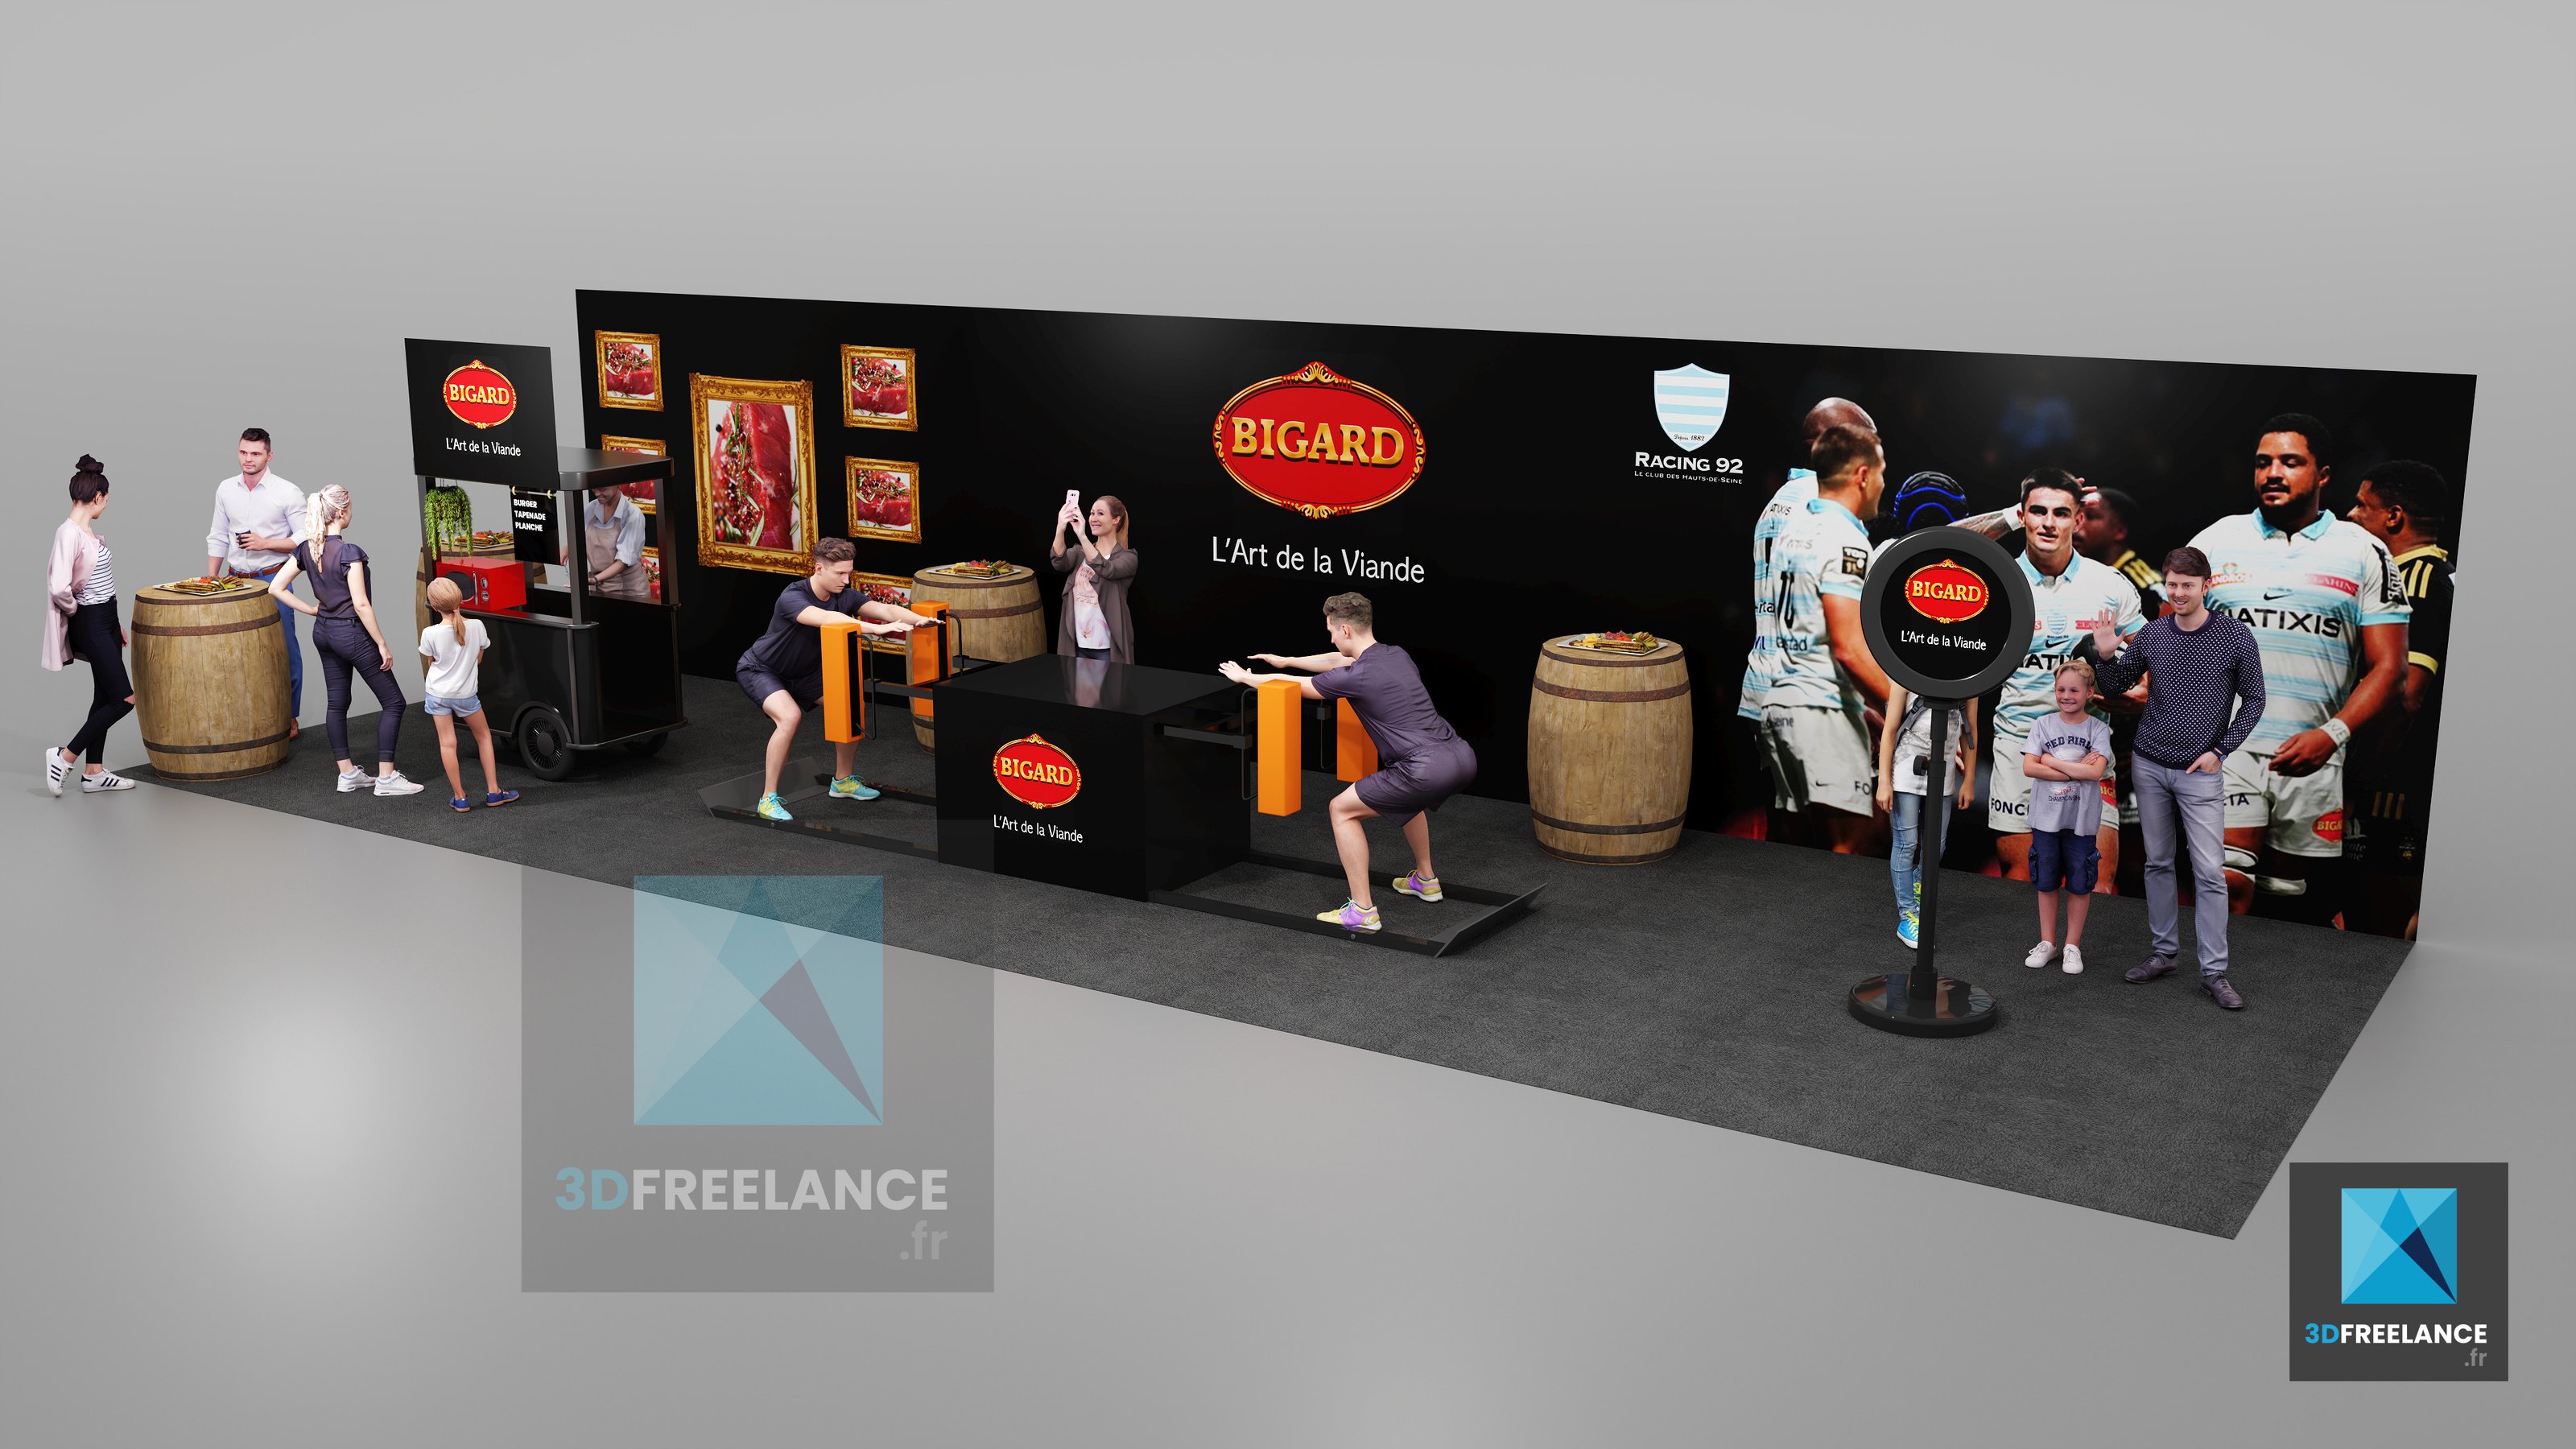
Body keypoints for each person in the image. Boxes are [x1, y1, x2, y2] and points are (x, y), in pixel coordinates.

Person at [2186, 414, 2410, 919]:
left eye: (2290, 462)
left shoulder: (2364, 550)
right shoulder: (2214, 541)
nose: (2273, 473)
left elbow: (2391, 669)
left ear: (2322, 474)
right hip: (2226, 748)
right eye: (2263, 462)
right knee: (2226, 883)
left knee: (2292, 903)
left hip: (2315, 756)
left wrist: (2332, 735)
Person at [1220, 592, 1476, 932]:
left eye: (1331, 631)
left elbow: (1297, 686)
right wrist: (1287, 660)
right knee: (1409, 800)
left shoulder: (1357, 676)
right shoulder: (1395, 654)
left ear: (1345, 630)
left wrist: (1246, 678)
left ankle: (1362, 911)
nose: (1330, 639)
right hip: (1461, 756)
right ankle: (1425, 880)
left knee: (1341, 809)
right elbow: (1334, 660)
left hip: (1425, 769)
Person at [2091, 547, 2268, 1009]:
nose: (2179, 593)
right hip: (2149, 763)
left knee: (2209, 872)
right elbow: (2114, 686)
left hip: (2199, 771)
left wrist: (2220, 751)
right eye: (2172, 584)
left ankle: (2214, 973)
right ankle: (2164, 954)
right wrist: (2106, 655)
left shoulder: (2234, 634)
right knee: (2157, 863)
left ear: (2206, 586)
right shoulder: (2154, 633)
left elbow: (2255, 700)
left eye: (2188, 585)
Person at [1979, 469, 2145, 892]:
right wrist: (2008, 517)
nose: (2048, 523)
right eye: (2037, 511)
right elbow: (1934, 546)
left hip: (2090, 753)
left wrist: (2144, 693)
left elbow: (2155, 661)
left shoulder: (2110, 585)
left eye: (2061, 513)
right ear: (2022, 516)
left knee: (2097, 886)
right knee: (2024, 883)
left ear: (2078, 520)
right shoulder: (1996, 581)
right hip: (2019, 749)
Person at [1742, 397, 1875, 844]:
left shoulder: (1779, 503)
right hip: (1814, 697)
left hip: (1766, 687)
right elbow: (1842, 639)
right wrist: (1887, 707)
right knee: (1848, 842)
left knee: (1790, 836)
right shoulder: (1825, 512)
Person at [737, 536, 936, 821]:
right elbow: (828, 620)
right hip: (763, 669)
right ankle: (767, 799)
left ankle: (842, 781)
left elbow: (885, 609)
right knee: (790, 717)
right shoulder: (793, 596)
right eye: (840, 573)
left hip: (805, 674)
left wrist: (917, 620)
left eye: (849, 573)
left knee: (851, 706)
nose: (846, 579)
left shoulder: (845, 595)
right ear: (819, 569)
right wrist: (875, 629)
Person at [2343, 459, 2456, 939]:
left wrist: (2353, 781)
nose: (2350, 515)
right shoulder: (2428, 576)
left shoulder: (2417, 581)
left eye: (2362, 505)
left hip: (2394, 788)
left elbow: (2406, 697)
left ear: (2393, 517)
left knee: (2379, 930)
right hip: (2393, 782)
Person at [270, 485, 423, 796]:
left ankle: (348, 774)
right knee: (394, 702)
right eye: (351, 507)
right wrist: (381, 644)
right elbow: (361, 604)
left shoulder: (307, 549)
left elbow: (276, 587)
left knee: (337, 704)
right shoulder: (348, 552)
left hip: (324, 633)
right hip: (351, 635)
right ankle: (386, 778)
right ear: (341, 512)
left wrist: (313, 610)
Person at [41, 455, 138, 795]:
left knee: (104, 696)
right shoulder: (68, 533)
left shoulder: (85, 531)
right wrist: (78, 611)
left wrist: (114, 622)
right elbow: (59, 587)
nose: (106, 506)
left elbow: (100, 580)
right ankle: (64, 756)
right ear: (97, 497)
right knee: (124, 700)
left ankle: (94, 773)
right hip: (91, 621)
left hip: (106, 619)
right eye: (106, 500)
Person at [206, 427, 308, 741]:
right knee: (237, 650)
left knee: (284, 649)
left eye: (255, 453)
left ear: (269, 455)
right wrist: (212, 578)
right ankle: (247, 714)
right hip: (235, 580)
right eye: (243, 452)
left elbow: (305, 539)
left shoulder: (287, 492)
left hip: (275, 577)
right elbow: (218, 534)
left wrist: (266, 543)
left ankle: (289, 715)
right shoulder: (226, 489)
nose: (248, 459)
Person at [2021, 660, 2116, 975]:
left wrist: (2051, 761)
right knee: (2046, 881)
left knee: (2080, 884)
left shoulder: (2097, 729)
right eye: (2061, 689)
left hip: (2081, 821)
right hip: (2045, 820)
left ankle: (2072, 945)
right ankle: (2048, 942)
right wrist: (2074, 771)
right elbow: (2029, 767)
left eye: (2074, 690)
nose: (2066, 695)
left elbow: (2095, 772)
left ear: (2089, 693)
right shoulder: (2043, 724)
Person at [1872, 684, 1976, 949]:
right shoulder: (1905, 678)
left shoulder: (1970, 682)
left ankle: (1917, 885)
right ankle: (1907, 915)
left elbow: (1970, 732)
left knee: (1936, 846)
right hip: (1906, 769)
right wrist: (1884, 781)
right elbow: (1890, 729)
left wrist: (1969, 781)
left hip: (1944, 773)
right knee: (1906, 843)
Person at [419, 576, 518, 812]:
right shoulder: (477, 626)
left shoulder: (429, 633)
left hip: (437, 693)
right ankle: (494, 792)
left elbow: (432, 662)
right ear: (460, 599)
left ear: (435, 607)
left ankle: (460, 797)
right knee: (484, 737)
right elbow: (478, 659)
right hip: (465, 694)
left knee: (447, 744)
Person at [1051, 493, 1137, 663]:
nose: (1093, 518)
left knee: (1112, 681)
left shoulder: (1128, 558)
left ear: (1116, 520)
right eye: (1091, 513)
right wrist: (1060, 528)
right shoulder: (1080, 552)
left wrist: (1082, 536)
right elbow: (1059, 562)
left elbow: (1107, 569)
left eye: (1100, 513)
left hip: (1107, 649)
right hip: (1077, 646)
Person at [2079, 485, 2166, 619]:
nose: (2077, 523)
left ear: (2119, 532)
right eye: (2077, 515)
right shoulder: (2071, 574)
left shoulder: (2145, 587)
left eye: (2090, 516)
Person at [581, 482, 653, 601]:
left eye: (602, 489)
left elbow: (623, 562)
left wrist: (595, 580)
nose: (597, 493)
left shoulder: (633, 514)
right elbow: (582, 540)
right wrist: (567, 549)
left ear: (618, 485)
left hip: (629, 592)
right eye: (594, 489)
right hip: (600, 588)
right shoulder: (591, 508)